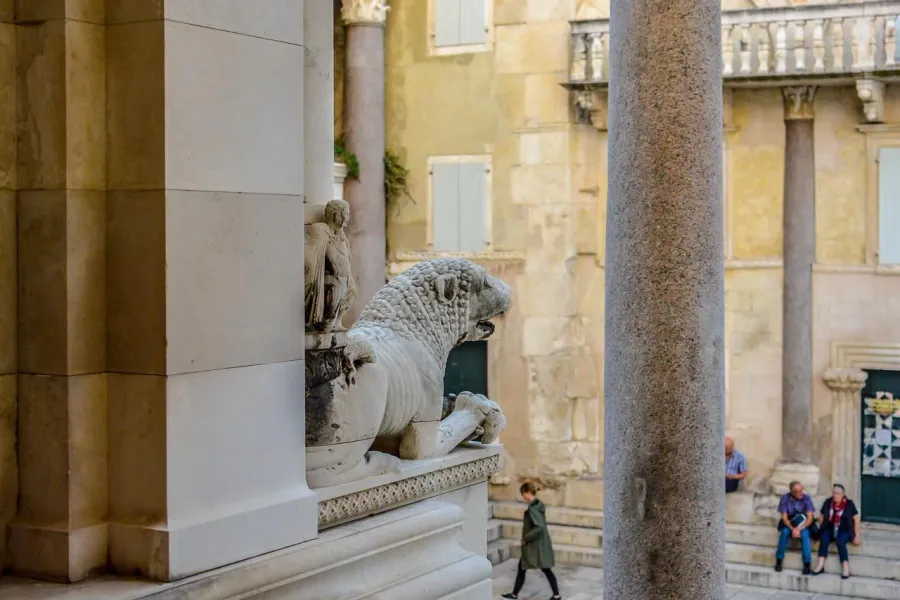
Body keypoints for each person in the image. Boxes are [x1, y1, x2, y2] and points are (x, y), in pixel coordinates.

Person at [502, 482, 561, 600]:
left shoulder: (533, 508)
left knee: (542, 569)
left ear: (527, 493)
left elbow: (539, 527)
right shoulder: (538, 505)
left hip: (535, 546)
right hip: (538, 545)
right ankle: (515, 594)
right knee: (524, 567)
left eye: (523, 494)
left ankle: (556, 595)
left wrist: (526, 538)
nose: (522, 496)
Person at [812, 483, 861, 579]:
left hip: (845, 529)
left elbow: (856, 519)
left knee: (840, 542)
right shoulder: (828, 502)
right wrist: (821, 529)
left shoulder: (849, 504)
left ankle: (846, 567)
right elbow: (822, 516)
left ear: (843, 495)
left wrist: (857, 535)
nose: (835, 495)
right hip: (830, 528)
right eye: (834, 493)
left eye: (838, 493)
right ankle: (820, 565)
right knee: (824, 539)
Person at [775, 481, 816, 574]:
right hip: (790, 523)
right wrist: (793, 528)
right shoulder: (785, 498)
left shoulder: (806, 498)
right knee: (785, 532)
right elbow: (784, 518)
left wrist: (799, 529)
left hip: (804, 523)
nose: (802, 493)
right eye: (799, 491)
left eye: (802, 490)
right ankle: (779, 560)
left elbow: (810, 518)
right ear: (793, 493)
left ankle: (807, 564)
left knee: (805, 534)